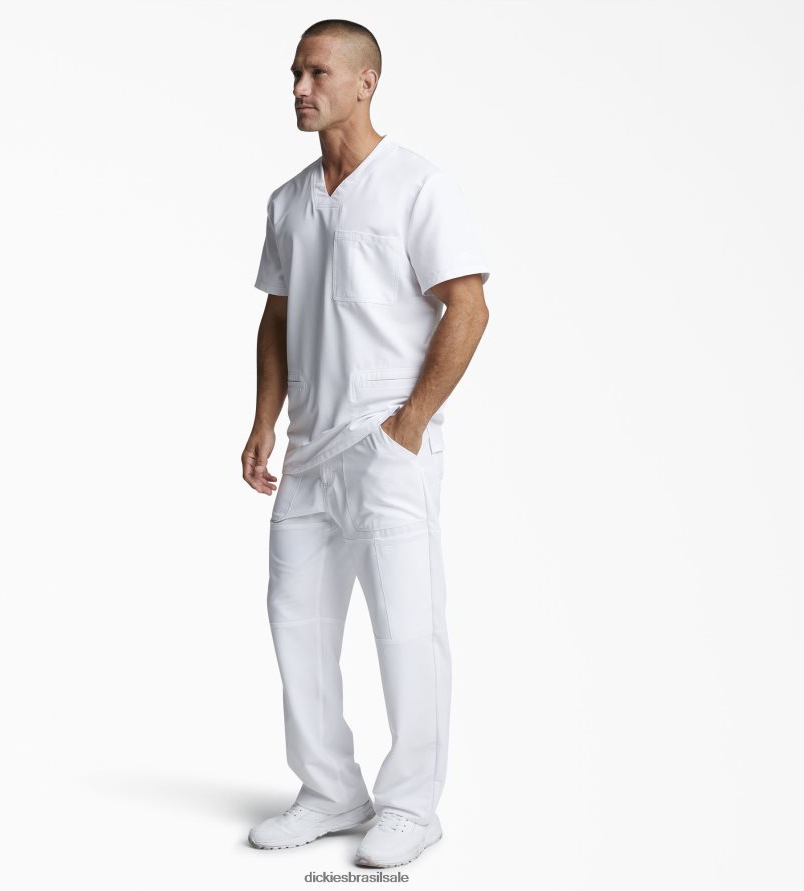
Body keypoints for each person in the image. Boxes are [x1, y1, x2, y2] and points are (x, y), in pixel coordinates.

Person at [242, 19, 491, 869]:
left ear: (365, 81)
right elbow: (277, 316)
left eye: (316, 73)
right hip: (309, 452)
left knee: (406, 628)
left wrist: (409, 423)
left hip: (387, 446)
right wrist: (264, 420)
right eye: (294, 73)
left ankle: (412, 805)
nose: (299, 88)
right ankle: (329, 790)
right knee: (296, 623)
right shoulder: (288, 201)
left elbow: (468, 305)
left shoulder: (417, 186)